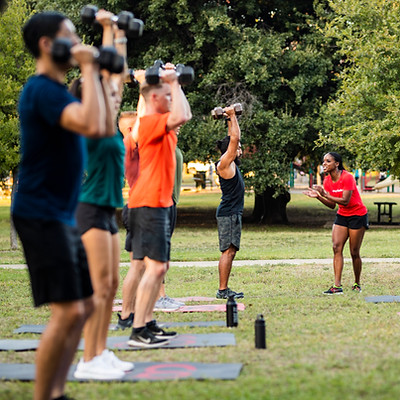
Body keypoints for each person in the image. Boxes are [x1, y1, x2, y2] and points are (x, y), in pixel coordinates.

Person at [12, 11, 111, 400]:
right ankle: (45, 396)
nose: (77, 45)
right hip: (40, 212)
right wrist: (89, 69)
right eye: (70, 38)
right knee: (69, 310)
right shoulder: (42, 91)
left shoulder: (60, 91)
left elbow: (102, 127)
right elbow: (89, 123)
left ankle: (56, 392)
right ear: (46, 44)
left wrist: (96, 76)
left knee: (84, 306)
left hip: (61, 213)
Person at [72, 11, 134, 379]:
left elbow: (115, 72)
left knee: (110, 286)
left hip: (105, 210)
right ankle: (88, 360)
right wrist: (92, 64)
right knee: (98, 288)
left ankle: (100, 351)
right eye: (105, 92)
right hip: (87, 210)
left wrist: (114, 30)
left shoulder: (107, 124)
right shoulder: (88, 123)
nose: (115, 93)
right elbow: (101, 75)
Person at [127, 65, 192, 347]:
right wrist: (173, 81)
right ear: (155, 99)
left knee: (157, 268)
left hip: (157, 203)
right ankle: (138, 330)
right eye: (166, 95)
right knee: (155, 269)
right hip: (150, 204)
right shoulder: (151, 123)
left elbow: (182, 114)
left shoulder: (162, 125)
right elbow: (183, 114)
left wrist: (165, 83)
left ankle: (147, 321)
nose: (172, 98)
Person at [303, 152, 368, 295]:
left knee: (354, 252)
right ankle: (337, 286)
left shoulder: (347, 177)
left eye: (328, 161)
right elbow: (333, 205)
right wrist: (319, 197)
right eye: (323, 161)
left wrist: (324, 194)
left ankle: (357, 283)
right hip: (342, 215)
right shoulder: (326, 181)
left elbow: (345, 200)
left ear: (336, 163)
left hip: (357, 215)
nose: (324, 164)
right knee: (336, 247)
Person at [215, 105, 245, 300]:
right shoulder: (225, 163)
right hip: (229, 213)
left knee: (231, 251)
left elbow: (230, 138)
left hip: (231, 212)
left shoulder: (229, 162)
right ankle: (223, 290)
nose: (240, 149)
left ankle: (224, 288)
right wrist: (233, 115)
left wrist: (228, 118)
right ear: (231, 151)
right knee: (228, 251)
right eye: (238, 148)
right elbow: (234, 139)